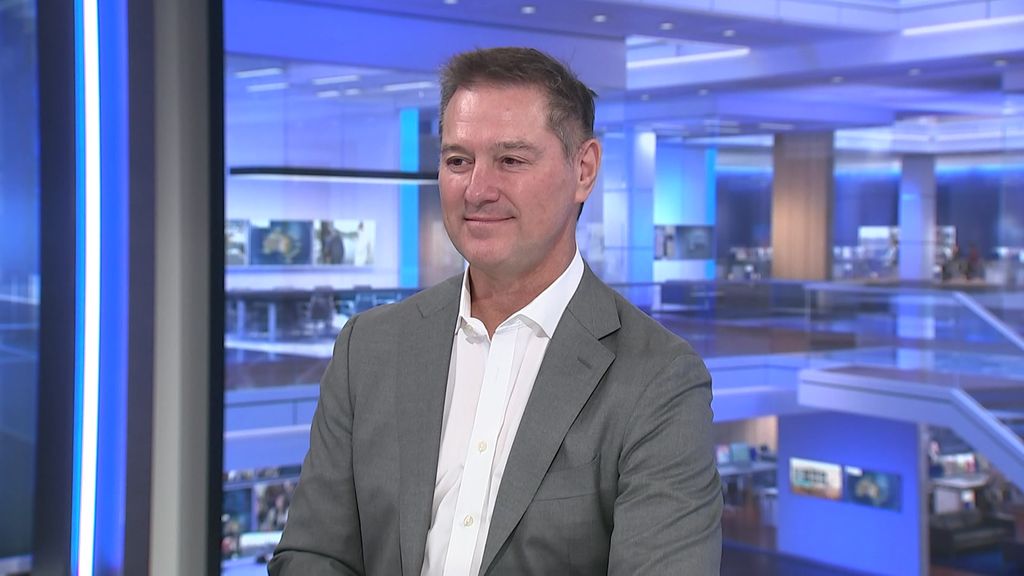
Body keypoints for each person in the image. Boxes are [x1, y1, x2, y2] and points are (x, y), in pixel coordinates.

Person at [269, 47, 721, 575]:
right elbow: (313, 554)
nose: (478, 189)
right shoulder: (368, 348)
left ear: (584, 169)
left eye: (511, 160)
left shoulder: (659, 379)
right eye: (458, 160)